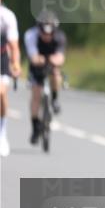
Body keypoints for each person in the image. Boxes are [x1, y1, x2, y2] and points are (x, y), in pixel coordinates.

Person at [24, 10, 67, 144]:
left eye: (50, 33)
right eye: (44, 33)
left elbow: (60, 58)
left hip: (51, 64)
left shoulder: (60, 37)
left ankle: (54, 99)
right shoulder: (31, 35)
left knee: (56, 74)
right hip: (36, 66)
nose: (47, 36)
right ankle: (35, 126)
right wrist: (41, 59)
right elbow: (34, 57)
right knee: (36, 94)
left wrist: (52, 60)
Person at [0, 0, 22, 157]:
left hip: (2, 57)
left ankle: (2, 133)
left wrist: (16, 64)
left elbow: (14, 46)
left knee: (1, 93)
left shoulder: (7, 16)